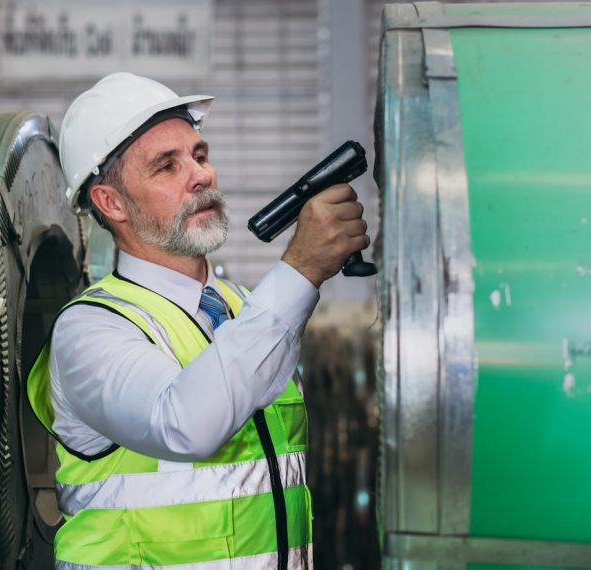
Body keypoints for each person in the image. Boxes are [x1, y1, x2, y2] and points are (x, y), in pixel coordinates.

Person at [26, 72, 368, 569]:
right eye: (167, 166)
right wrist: (300, 271)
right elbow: (184, 425)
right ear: (111, 202)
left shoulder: (244, 307)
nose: (201, 175)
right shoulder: (89, 330)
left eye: (200, 156)